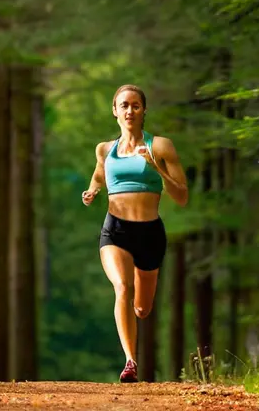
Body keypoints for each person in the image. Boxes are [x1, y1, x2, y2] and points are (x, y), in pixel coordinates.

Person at [82, 84, 188, 383]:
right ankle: (130, 361)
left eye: (136, 105)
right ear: (115, 111)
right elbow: (100, 173)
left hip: (150, 233)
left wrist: (156, 167)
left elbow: (182, 196)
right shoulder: (105, 149)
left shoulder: (161, 146)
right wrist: (92, 191)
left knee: (142, 308)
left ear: (144, 111)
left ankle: (133, 345)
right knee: (123, 289)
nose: (130, 110)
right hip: (115, 231)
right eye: (124, 105)